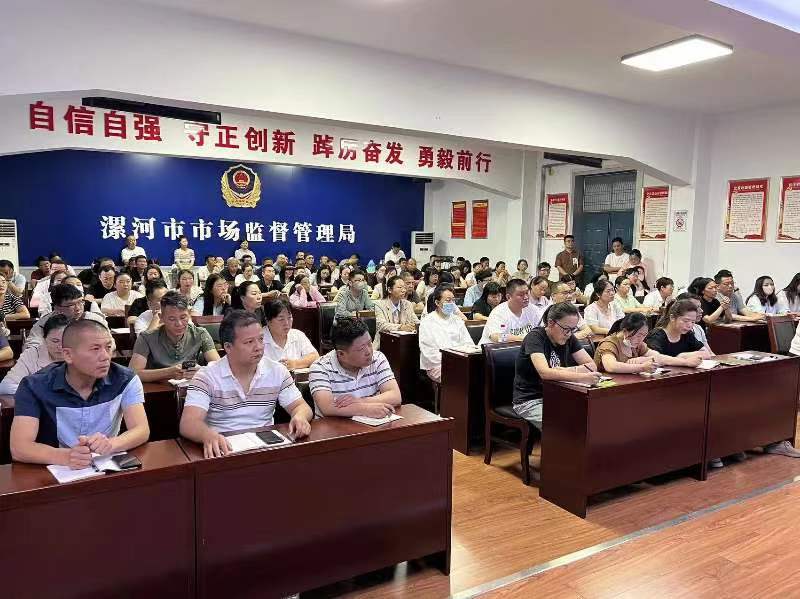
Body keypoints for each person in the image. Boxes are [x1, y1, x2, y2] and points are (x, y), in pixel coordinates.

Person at [10, 319, 149, 468]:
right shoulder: (34, 386)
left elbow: (141, 430)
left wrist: (111, 444)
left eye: (108, 347)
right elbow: (19, 448)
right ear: (68, 355)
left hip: (105, 465)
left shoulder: (125, 379)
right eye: (95, 349)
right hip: (53, 470)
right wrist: (66, 456)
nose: (105, 356)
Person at [180, 310, 312, 457]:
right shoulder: (206, 376)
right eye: (249, 342)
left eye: (261, 339)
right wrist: (208, 435)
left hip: (266, 449)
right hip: (224, 449)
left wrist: (300, 416)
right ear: (228, 347)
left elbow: (301, 406)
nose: (258, 347)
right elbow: (189, 423)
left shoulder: (277, 371)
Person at [513, 302, 601, 430]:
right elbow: (545, 373)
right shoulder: (535, 337)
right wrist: (582, 377)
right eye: (566, 329)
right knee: (565, 426)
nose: (569, 334)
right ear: (551, 323)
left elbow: (591, 366)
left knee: (594, 417)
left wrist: (566, 370)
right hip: (531, 400)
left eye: (573, 329)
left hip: (560, 396)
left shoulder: (569, 337)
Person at [309, 317, 401, 418]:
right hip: (334, 427)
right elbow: (328, 407)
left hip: (370, 425)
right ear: (341, 354)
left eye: (369, 343)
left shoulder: (378, 358)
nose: (369, 351)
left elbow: (395, 396)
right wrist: (365, 409)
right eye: (361, 348)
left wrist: (359, 401)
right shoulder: (320, 368)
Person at [129, 291, 220, 383]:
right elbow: (133, 373)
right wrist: (168, 372)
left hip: (190, 387)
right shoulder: (146, 338)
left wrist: (202, 372)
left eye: (183, 317)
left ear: (189, 314)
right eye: (172, 319)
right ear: (161, 317)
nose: (179, 324)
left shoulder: (200, 334)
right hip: (157, 388)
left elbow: (218, 367)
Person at [594, 313, 702, 373]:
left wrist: (685, 362)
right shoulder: (609, 343)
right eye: (639, 335)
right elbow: (611, 366)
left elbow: (658, 357)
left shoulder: (636, 343)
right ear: (625, 331)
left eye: (644, 335)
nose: (641, 339)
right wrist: (642, 367)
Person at [25, 284, 109, 350]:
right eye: (71, 305)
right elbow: (31, 346)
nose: (78, 308)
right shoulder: (44, 323)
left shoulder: (95, 320)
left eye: (80, 302)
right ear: (57, 308)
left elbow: (110, 343)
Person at [0, 314, 68, 395]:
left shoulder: (79, 355)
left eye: (65, 341)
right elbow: (5, 386)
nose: (60, 347)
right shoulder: (32, 354)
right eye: (55, 341)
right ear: (44, 339)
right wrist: (42, 392)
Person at [418, 285, 474, 382]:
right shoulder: (427, 322)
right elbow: (428, 352)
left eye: (453, 300)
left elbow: (468, 343)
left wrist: (461, 359)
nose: (451, 304)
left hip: (461, 361)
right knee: (461, 377)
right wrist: (452, 361)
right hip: (437, 365)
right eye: (448, 300)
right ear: (437, 302)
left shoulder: (457, 320)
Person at [262, 297, 319, 368]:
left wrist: (295, 364)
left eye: (289, 318)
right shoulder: (258, 339)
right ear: (268, 321)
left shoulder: (297, 335)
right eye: (281, 319)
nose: (286, 323)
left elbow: (315, 356)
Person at [645, 299, 711, 360]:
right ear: (672, 317)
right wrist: (681, 360)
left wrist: (683, 356)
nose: (690, 325)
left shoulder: (688, 334)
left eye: (693, 322)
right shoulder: (656, 336)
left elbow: (706, 353)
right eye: (686, 321)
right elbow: (654, 359)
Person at [479, 279, 538, 344]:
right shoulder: (498, 312)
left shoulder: (533, 309)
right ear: (508, 297)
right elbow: (496, 336)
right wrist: (524, 339)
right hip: (495, 348)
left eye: (527, 293)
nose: (526, 297)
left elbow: (541, 329)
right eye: (521, 295)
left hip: (524, 347)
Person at [373, 275, 419, 349]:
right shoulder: (379, 305)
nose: (403, 290)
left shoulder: (408, 304)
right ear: (389, 290)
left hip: (404, 344)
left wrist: (415, 326)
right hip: (384, 344)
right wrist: (401, 327)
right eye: (400, 287)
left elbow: (416, 322)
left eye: (404, 287)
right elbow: (381, 325)